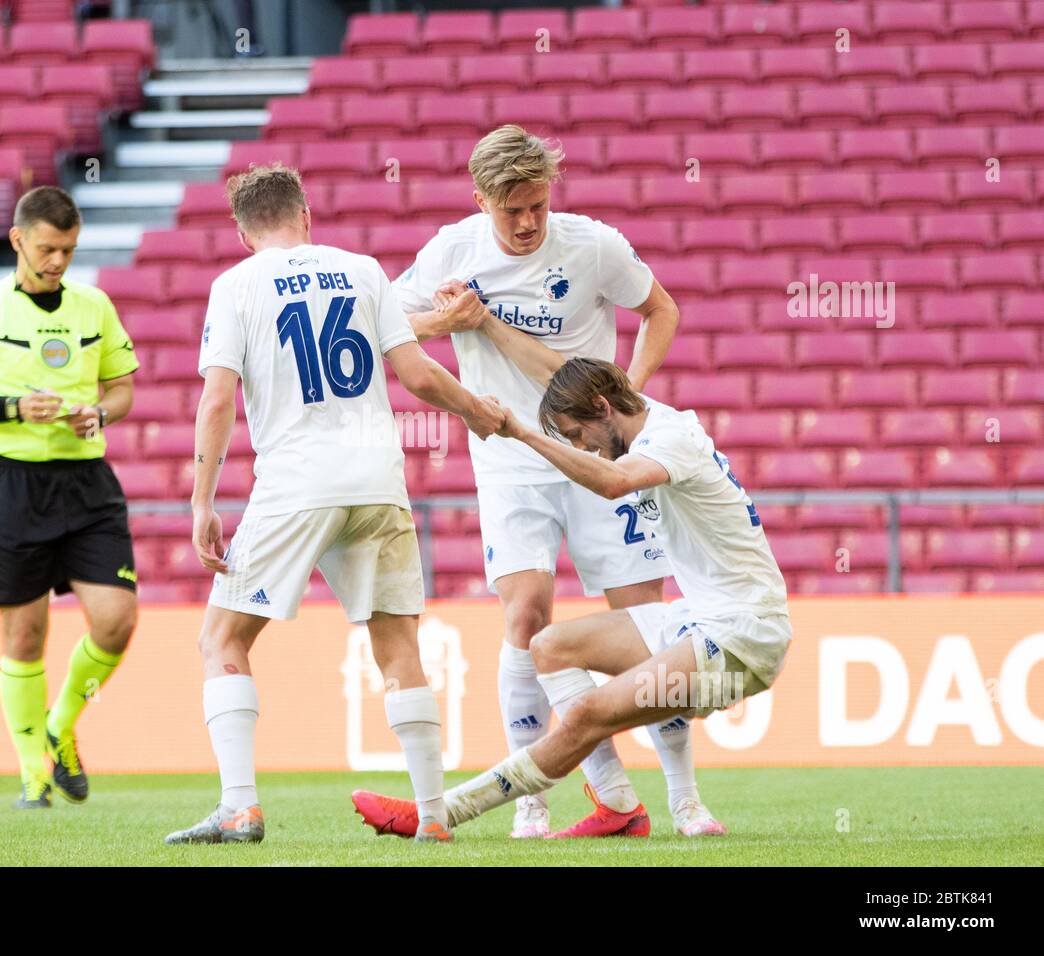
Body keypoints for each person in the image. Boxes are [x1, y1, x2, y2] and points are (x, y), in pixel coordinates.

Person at [394, 124, 723, 837]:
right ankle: (535, 798)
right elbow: (389, 323)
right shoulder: (454, 249)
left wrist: (623, 401)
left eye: (538, 206)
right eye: (512, 209)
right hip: (510, 456)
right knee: (527, 617)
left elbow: (661, 310)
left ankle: (685, 799)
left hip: (599, 453)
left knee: (645, 623)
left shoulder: (592, 244)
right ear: (480, 198)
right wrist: (439, 319)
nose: (527, 222)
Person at [163, 163, 504, 845]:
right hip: (378, 481)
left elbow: (219, 398)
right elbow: (415, 373)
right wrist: (476, 409)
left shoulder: (235, 285)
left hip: (295, 485)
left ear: (241, 231)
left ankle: (240, 807)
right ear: (306, 215)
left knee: (222, 639)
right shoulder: (363, 269)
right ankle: (434, 817)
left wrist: (202, 500)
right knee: (399, 647)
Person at [353, 354, 792, 839]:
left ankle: (441, 813)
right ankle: (620, 805)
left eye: (578, 435)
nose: (585, 449)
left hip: (745, 636)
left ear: (603, 407)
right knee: (548, 646)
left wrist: (521, 433)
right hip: (701, 618)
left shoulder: (669, 439)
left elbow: (613, 483)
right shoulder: (656, 427)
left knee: (585, 716)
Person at [0, 186, 139, 809]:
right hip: (11, 482)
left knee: (117, 620)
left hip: (86, 483)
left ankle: (60, 724)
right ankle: (33, 772)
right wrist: (12, 407)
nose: (58, 262)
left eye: (69, 250)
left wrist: (99, 415)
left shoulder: (95, 306)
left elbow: (123, 388)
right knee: (24, 639)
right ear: (19, 240)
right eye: (48, 249)